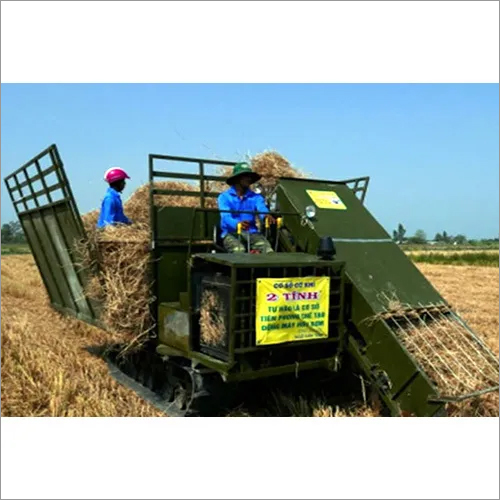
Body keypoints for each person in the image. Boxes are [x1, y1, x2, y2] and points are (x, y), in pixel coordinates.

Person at [217, 162, 275, 253]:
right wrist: (237, 224)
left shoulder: (256, 197)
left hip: (252, 233)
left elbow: (262, 208)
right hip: (231, 233)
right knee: (239, 251)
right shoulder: (224, 197)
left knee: (268, 251)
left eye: (249, 176)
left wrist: (266, 215)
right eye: (245, 176)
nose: (248, 179)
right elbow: (225, 217)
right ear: (237, 179)